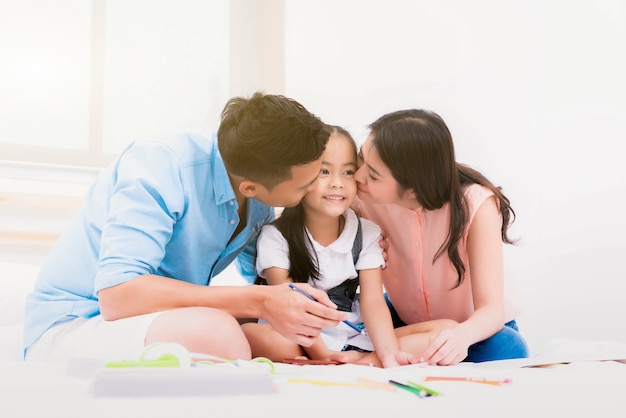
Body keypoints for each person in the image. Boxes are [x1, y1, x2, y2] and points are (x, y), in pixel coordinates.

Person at [23, 91, 348, 363]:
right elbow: (117, 297)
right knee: (216, 331)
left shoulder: (258, 191)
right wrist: (260, 301)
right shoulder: (161, 164)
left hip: (152, 322)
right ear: (250, 187)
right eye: (305, 185)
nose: (315, 188)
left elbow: (263, 282)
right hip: (76, 323)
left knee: (270, 339)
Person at [242, 126, 456, 368]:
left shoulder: (367, 232)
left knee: (447, 329)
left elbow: (373, 301)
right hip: (296, 336)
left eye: (347, 172)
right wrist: (322, 354)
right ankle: (341, 361)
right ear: (301, 177)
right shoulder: (276, 235)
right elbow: (288, 303)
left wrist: (387, 353)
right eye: (324, 172)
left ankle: (362, 360)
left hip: (352, 336)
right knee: (254, 334)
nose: (337, 184)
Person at [352, 109, 529, 365]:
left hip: (471, 328)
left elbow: (490, 311)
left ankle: (369, 356)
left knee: (509, 349)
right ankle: (382, 352)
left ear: (412, 189)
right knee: (345, 320)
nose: (358, 177)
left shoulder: (476, 204)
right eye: (360, 160)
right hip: (405, 321)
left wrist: (460, 337)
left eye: (373, 175)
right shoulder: (361, 197)